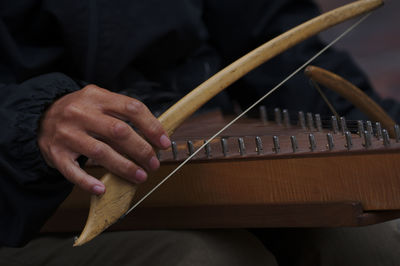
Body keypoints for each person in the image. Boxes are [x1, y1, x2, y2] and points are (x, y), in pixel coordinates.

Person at [0, 0, 399, 265]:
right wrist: (35, 118)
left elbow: (274, 41)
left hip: (196, 163)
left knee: (377, 245)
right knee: (203, 260)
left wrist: (387, 135)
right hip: (28, 205)